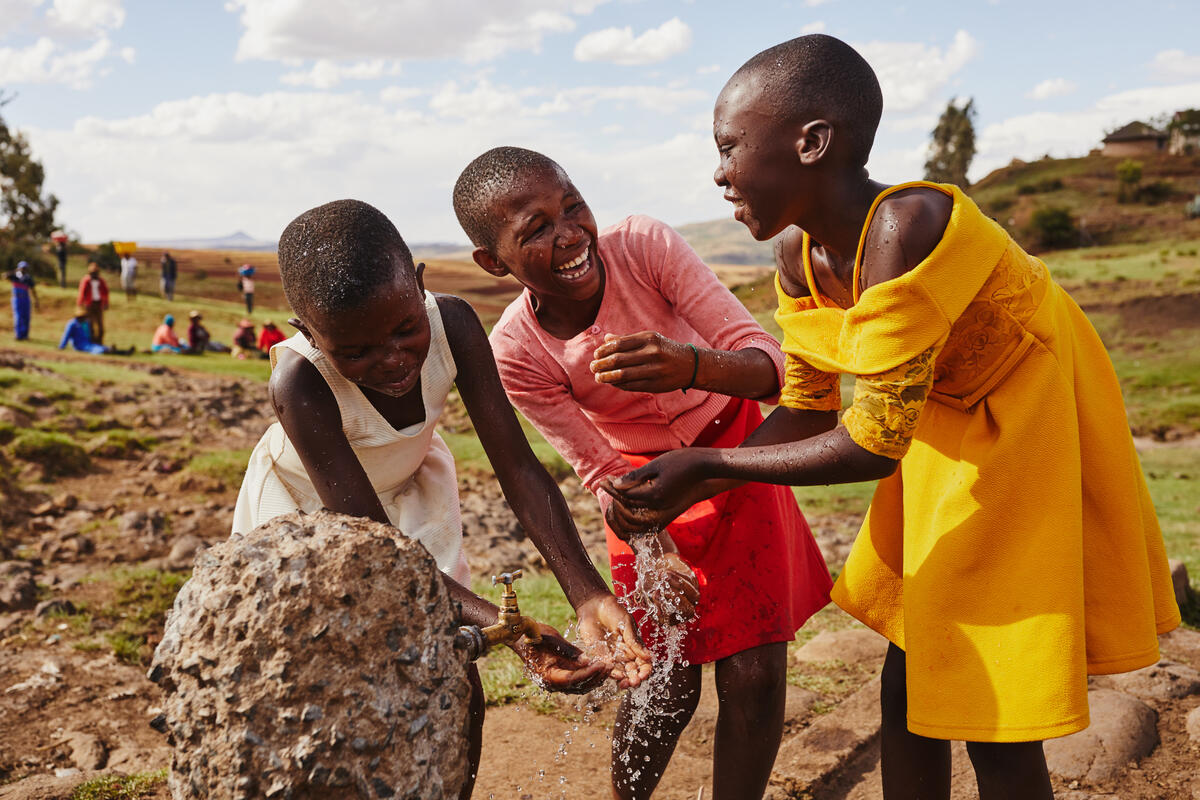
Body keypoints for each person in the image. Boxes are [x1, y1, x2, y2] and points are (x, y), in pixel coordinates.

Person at [604, 34, 1182, 800]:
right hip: (942, 422)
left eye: (730, 148)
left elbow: (873, 446)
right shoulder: (798, 257)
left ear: (811, 143)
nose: (718, 172)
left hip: (1026, 419)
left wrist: (710, 464)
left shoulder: (909, 225)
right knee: (911, 682)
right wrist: (688, 490)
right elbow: (809, 411)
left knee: (988, 702)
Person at [230, 199, 653, 797]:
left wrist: (585, 594)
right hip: (310, 518)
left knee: (454, 667)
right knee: (324, 681)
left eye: (406, 329)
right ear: (310, 336)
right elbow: (377, 548)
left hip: (405, 494)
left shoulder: (451, 323)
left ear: (420, 286)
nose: (395, 359)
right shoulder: (299, 383)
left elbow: (517, 467)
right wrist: (512, 628)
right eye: (355, 352)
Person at [454, 147, 833, 800]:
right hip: (642, 494)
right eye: (536, 229)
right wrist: (652, 546)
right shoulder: (516, 352)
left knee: (755, 670)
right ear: (495, 263)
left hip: (738, 451)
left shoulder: (644, 246)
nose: (570, 234)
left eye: (573, 208)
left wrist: (693, 366)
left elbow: (773, 368)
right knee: (662, 677)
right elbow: (597, 466)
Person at [59, 307, 132, 355]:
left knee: (102, 347)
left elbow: (89, 334)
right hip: (80, 345)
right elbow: (66, 336)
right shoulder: (72, 324)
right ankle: (110, 350)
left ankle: (124, 352)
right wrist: (62, 346)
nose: (84, 318)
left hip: (89, 343)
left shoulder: (85, 323)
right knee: (96, 349)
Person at [76, 262, 109, 344]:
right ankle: (91, 341)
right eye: (93, 273)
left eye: (96, 273)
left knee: (100, 325)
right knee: (90, 324)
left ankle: (99, 342)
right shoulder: (86, 280)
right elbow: (82, 292)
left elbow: (106, 292)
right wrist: (80, 304)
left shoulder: (101, 281)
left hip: (98, 304)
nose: (94, 274)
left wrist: (106, 303)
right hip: (89, 305)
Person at [8, 261, 38, 341]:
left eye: (25, 268)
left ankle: (25, 335)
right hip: (17, 299)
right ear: (19, 267)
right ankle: (18, 335)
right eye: (22, 268)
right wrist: (15, 271)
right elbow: (4, 276)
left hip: (26, 299)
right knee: (18, 317)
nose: (24, 269)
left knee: (26, 317)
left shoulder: (28, 278)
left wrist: (36, 300)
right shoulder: (14, 276)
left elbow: (33, 289)